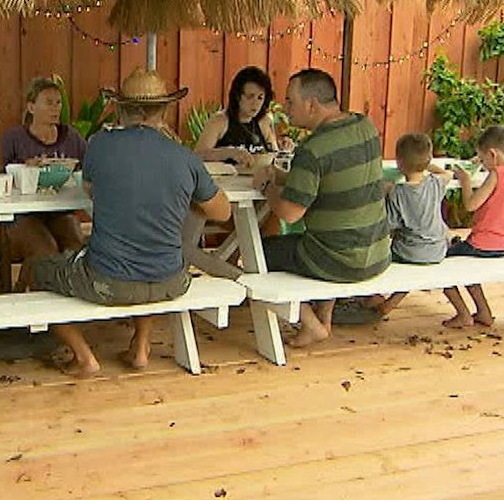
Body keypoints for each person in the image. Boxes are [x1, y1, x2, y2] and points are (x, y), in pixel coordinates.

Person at [28, 69, 231, 378]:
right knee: (152, 251)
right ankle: (141, 347)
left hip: (108, 281)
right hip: (171, 281)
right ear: (164, 110)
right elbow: (222, 212)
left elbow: (90, 190)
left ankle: (84, 357)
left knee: (37, 270)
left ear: (121, 109)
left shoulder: (101, 145)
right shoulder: (184, 157)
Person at [249, 68, 391, 347]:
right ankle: (324, 317)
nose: (285, 109)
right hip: (377, 252)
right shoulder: (365, 127)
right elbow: (331, 181)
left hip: (339, 261)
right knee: (328, 238)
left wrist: (266, 187)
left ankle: (311, 324)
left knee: (257, 252)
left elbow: (289, 213)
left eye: (290, 102)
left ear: (311, 105)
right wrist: (283, 177)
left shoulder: (312, 150)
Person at [0, 77, 87, 285]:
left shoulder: (71, 137)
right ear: (31, 107)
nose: (55, 108)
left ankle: (69, 299)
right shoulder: (15, 138)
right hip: (23, 213)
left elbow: (91, 165)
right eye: (49, 102)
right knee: (45, 251)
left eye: (58, 102)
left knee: (77, 247)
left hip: (59, 209)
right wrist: (24, 170)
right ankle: (34, 303)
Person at [442, 125, 504, 329]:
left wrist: (465, 180)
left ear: (493, 154)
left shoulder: (497, 175)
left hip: (482, 244)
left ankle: (463, 314)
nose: (484, 166)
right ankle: (484, 312)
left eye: (483, 160)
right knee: (467, 269)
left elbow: (470, 205)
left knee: (441, 263)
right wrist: (481, 160)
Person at [374, 132, 452, 317]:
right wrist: (426, 165)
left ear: (399, 163)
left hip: (408, 252)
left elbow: (389, 225)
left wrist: (386, 191)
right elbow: (446, 173)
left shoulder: (398, 192)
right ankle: (389, 303)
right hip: (437, 250)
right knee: (416, 263)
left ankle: (375, 296)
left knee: (379, 257)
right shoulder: (435, 183)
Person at [193, 65, 280, 168]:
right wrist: (229, 152)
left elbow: (275, 154)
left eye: (260, 98)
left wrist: (284, 148)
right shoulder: (220, 121)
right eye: (250, 97)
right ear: (237, 96)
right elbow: (198, 154)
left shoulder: (264, 122)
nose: (255, 103)